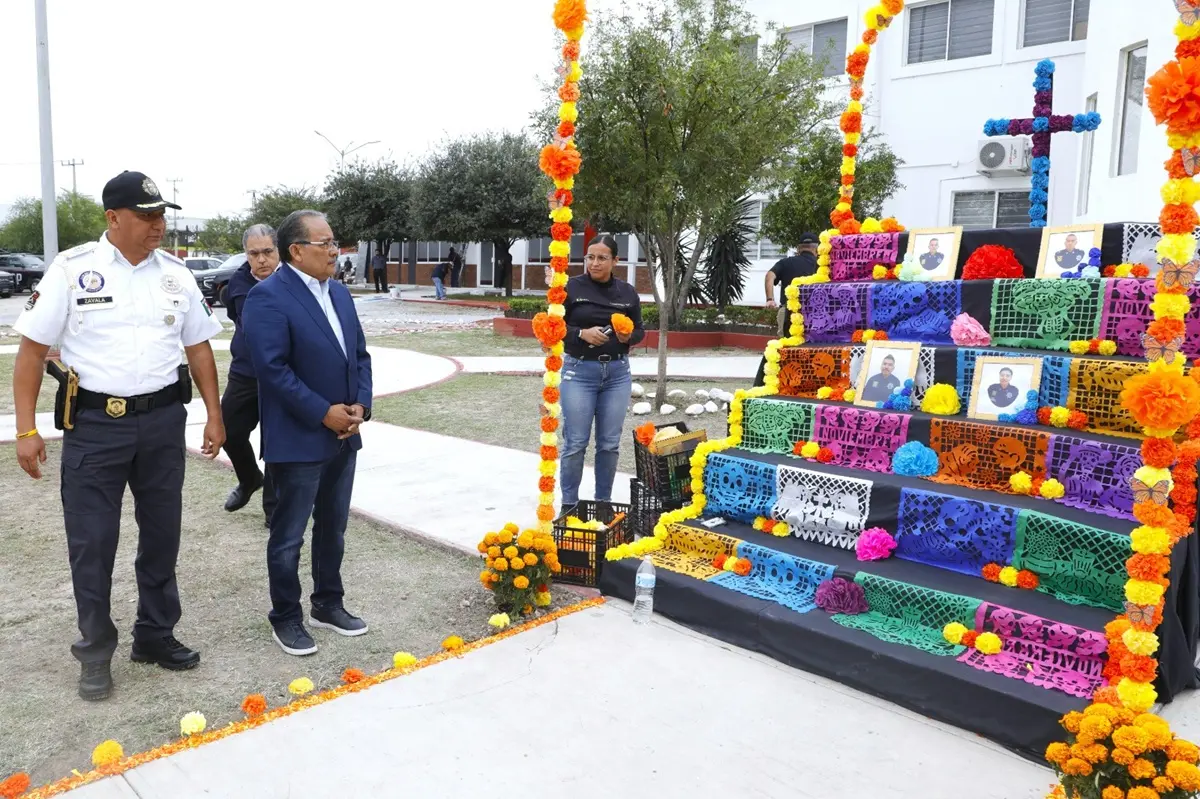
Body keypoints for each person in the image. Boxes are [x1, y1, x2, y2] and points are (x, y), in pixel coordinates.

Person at [11, 170, 225, 700]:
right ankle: (95, 651)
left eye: (162, 215)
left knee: (161, 535)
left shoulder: (176, 275)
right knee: (93, 543)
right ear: (114, 218)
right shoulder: (73, 270)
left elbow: (198, 347)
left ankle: (154, 635)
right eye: (147, 216)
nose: (158, 225)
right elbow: (32, 351)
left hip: (161, 424)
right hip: (95, 428)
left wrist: (215, 416)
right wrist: (25, 429)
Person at [242, 210, 373, 657]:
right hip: (299, 437)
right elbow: (272, 370)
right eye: (325, 244)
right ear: (296, 251)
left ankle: (327, 604)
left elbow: (359, 354)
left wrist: (361, 405)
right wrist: (323, 413)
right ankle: (286, 616)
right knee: (289, 536)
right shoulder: (268, 297)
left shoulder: (339, 293)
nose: (335, 251)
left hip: (344, 434)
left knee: (333, 528)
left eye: (335, 242)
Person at [560, 234, 644, 513]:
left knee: (608, 444)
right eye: (590, 257)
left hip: (617, 375)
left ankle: (603, 503)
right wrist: (581, 333)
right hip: (579, 372)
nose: (594, 263)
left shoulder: (628, 293)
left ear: (615, 261)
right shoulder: (571, 288)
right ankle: (569, 506)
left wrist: (627, 336)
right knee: (576, 443)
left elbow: (640, 331)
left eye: (602, 258)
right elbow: (554, 328)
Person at [220, 224, 279, 525]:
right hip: (245, 373)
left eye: (268, 252)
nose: (262, 260)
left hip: (282, 375)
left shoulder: (293, 281)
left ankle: (274, 510)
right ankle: (249, 479)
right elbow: (243, 323)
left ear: (279, 251)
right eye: (254, 254)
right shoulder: (237, 285)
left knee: (277, 441)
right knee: (226, 431)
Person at [754, 233, 819, 387]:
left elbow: (769, 276)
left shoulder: (786, 262)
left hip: (788, 313)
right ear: (816, 249)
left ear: (798, 248)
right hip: (815, 315)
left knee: (784, 347)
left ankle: (778, 382)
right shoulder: (821, 266)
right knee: (813, 347)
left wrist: (770, 299)